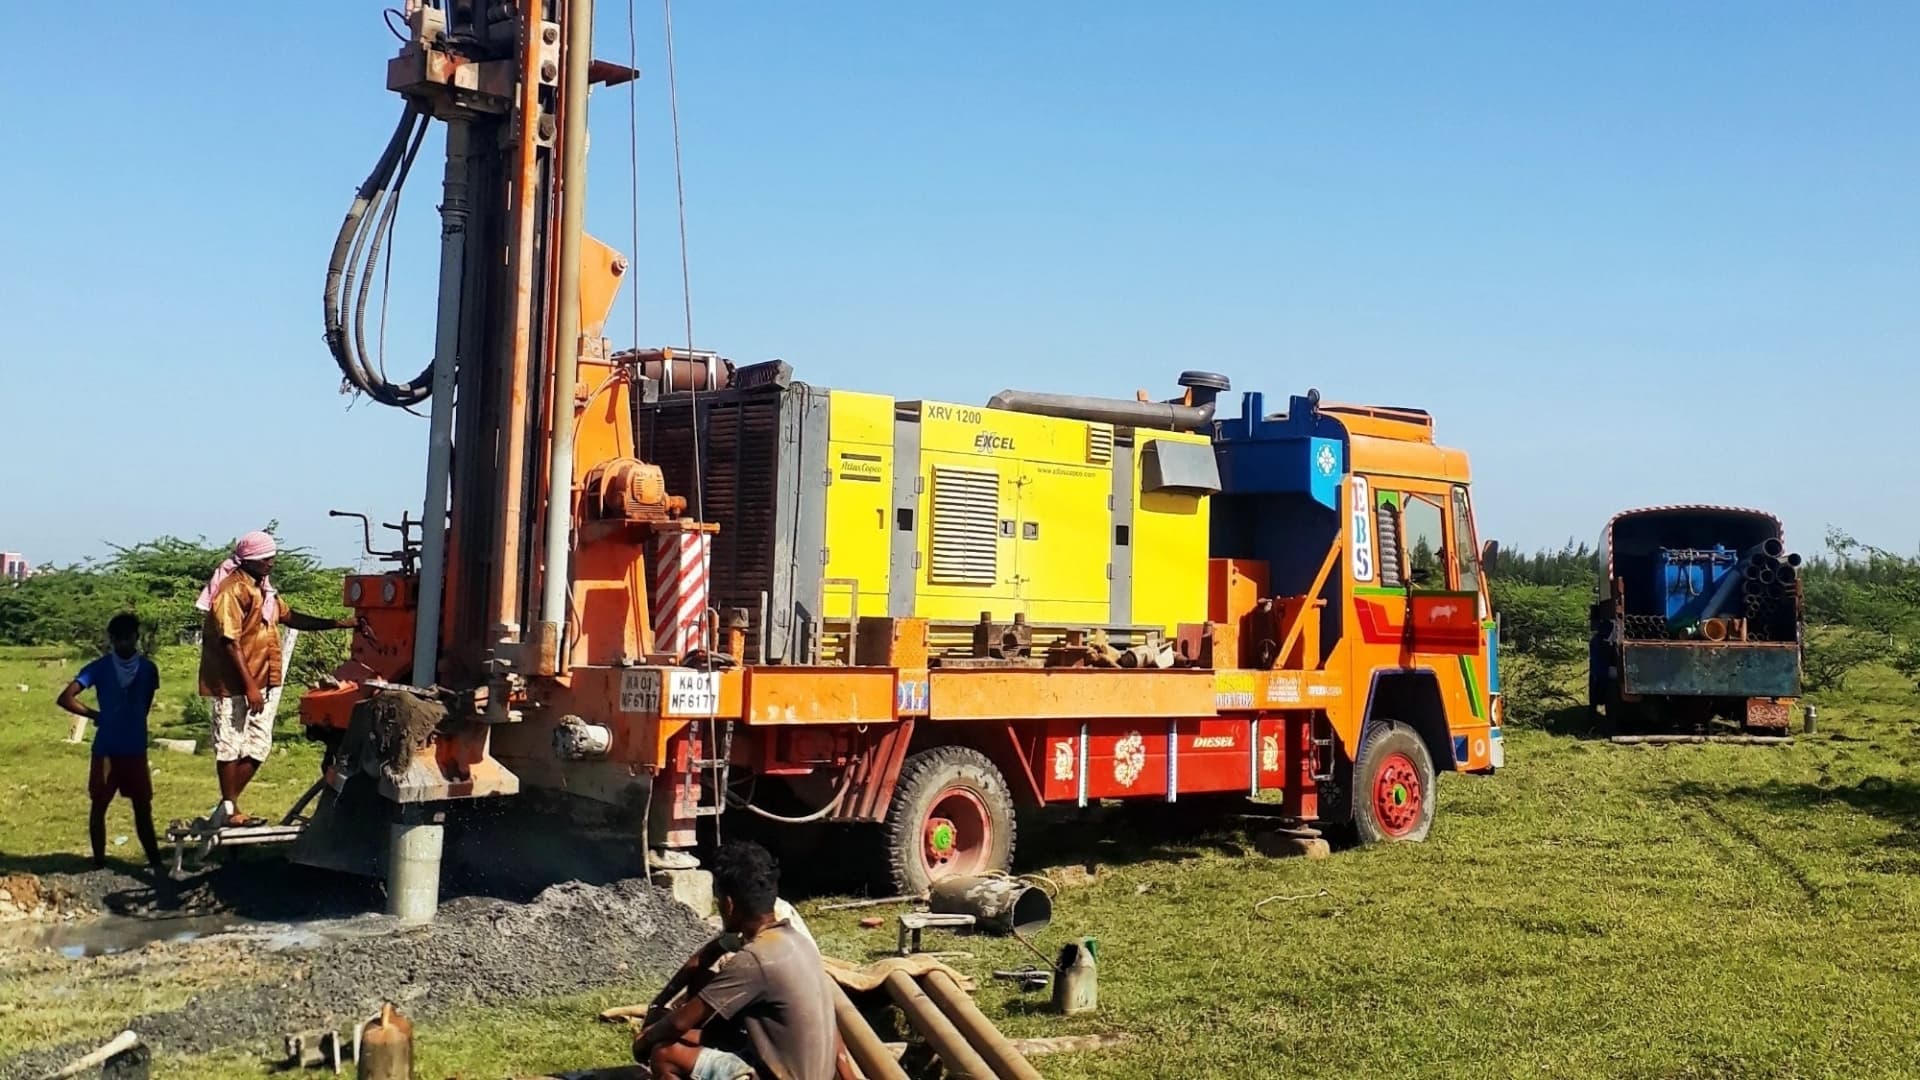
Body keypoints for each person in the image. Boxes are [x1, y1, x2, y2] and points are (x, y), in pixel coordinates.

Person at [634, 841, 855, 1080]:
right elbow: (701, 962)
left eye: (718, 901)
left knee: (665, 1053)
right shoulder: (796, 942)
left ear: (728, 905)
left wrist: (646, 1038)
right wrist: (719, 944)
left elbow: (679, 1023)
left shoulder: (754, 960)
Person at [196, 530, 361, 827]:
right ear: (249, 560)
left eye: (272, 556)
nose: (271, 562)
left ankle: (227, 806)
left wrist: (339, 623)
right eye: (265, 558)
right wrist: (249, 687)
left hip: (264, 677)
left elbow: (291, 617)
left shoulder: (264, 590)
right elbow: (229, 642)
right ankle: (231, 811)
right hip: (234, 682)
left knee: (259, 746)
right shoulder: (231, 591)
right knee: (230, 743)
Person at [55, 613, 164, 871]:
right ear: (112, 640)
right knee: (100, 804)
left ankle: (156, 861)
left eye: (129, 639)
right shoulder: (99, 668)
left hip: (134, 748)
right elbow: (65, 697)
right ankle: (99, 862)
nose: (125, 644)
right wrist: (95, 715)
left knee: (142, 806)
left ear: (136, 638)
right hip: (106, 749)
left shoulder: (149, 670)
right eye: (120, 640)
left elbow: (146, 705)